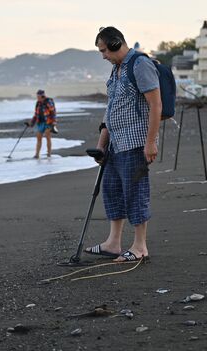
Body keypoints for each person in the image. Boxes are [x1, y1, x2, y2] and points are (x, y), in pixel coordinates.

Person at [85, 26, 161, 262]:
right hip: (115, 144)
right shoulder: (116, 70)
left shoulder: (140, 65)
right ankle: (113, 243)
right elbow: (111, 110)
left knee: (135, 192)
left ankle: (140, 247)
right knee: (111, 191)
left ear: (117, 43)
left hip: (136, 142)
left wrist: (150, 143)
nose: (103, 55)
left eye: (104, 50)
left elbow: (156, 106)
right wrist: (101, 145)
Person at [27, 89, 57, 158]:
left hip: (48, 122)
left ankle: (49, 154)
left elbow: (53, 112)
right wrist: (31, 123)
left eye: (39, 96)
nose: (37, 98)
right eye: (37, 96)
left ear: (42, 96)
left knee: (47, 137)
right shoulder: (38, 103)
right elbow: (36, 114)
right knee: (39, 138)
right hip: (40, 122)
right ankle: (37, 154)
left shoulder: (48, 101)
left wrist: (54, 122)